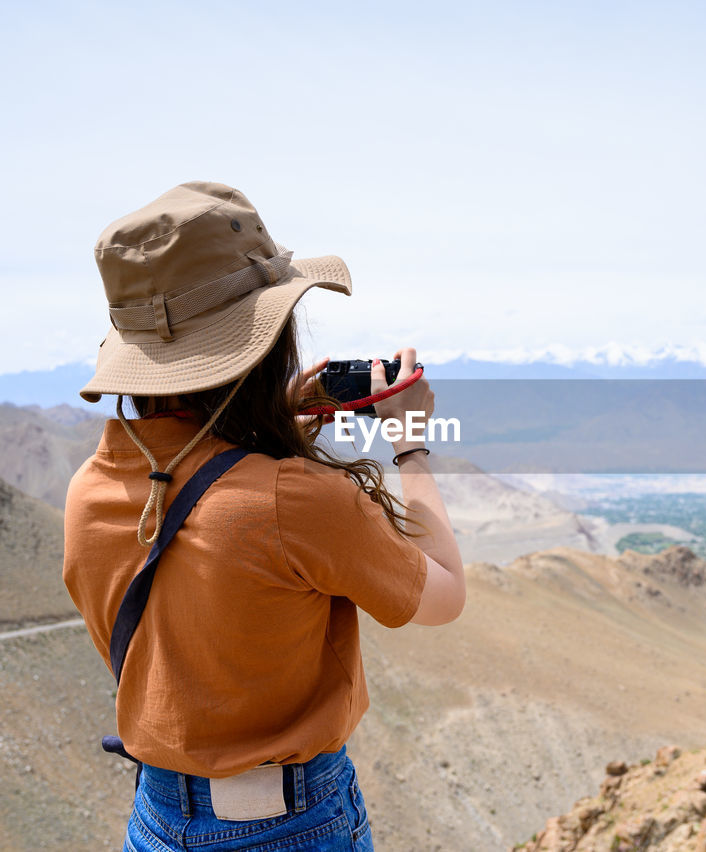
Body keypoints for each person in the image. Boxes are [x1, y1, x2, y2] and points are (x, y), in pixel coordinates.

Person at [62, 181, 464, 851]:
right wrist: (412, 441)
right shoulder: (295, 500)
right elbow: (443, 593)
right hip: (291, 825)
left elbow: (202, 479)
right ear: (265, 339)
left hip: (156, 820)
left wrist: (273, 409)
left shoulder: (89, 490)